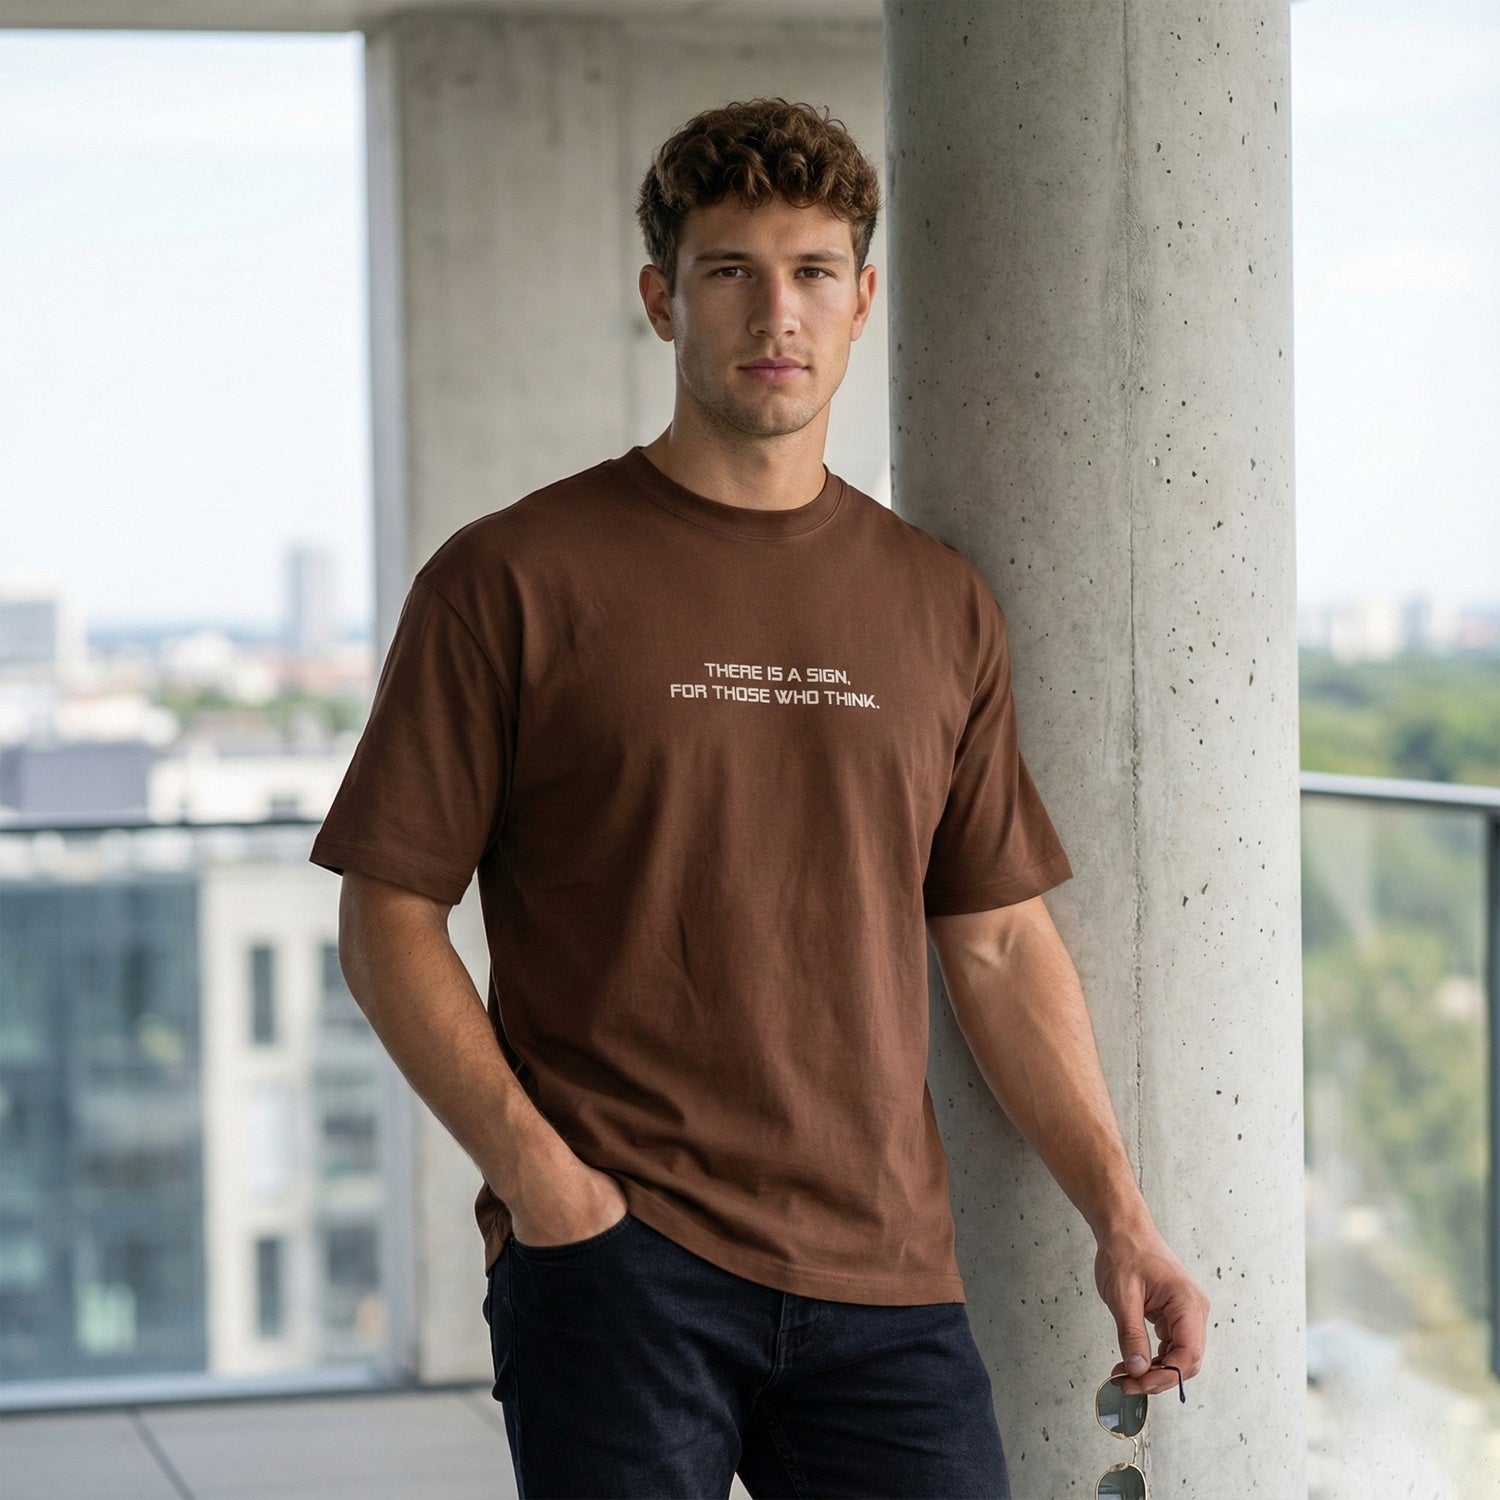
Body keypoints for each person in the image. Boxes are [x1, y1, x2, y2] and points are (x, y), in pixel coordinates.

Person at [310, 97, 1209, 1500]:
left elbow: (999, 939)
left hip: (889, 1275)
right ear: (664, 299)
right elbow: (388, 919)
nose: (773, 313)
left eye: (809, 274)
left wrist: (1121, 1215)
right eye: (730, 272)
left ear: (861, 300)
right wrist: (551, 1194)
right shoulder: (511, 579)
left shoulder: (938, 600)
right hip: (620, 1265)